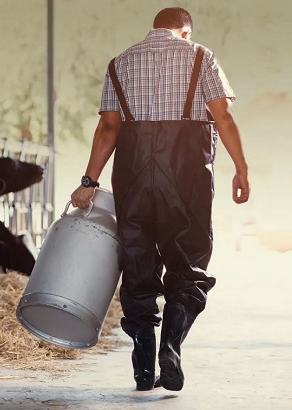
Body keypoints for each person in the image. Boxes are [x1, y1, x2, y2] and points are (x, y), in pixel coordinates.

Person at [71, 7, 250, 392]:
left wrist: (89, 181)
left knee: (138, 262)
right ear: (186, 31)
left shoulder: (120, 63)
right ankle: (170, 346)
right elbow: (224, 118)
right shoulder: (201, 56)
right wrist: (241, 168)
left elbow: (108, 128)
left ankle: (141, 362)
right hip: (186, 175)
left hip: (133, 174)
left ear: (154, 29)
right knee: (188, 261)